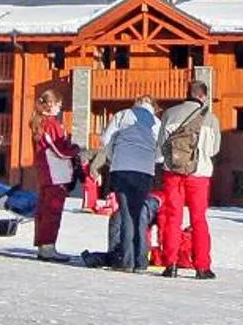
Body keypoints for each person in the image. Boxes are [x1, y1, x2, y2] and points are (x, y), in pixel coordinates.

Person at [155, 78, 221, 279]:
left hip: (172, 173)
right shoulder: (210, 118)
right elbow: (213, 150)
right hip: (199, 175)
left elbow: (160, 147)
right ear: (203, 96)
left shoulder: (169, 114)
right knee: (198, 219)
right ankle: (201, 266)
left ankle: (171, 264)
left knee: (172, 218)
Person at [95, 96, 162, 272]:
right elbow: (162, 151)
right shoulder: (156, 121)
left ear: (136, 103)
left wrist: (113, 156)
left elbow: (106, 139)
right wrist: (149, 159)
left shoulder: (123, 115)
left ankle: (126, 261)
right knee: (139, 214)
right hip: (145, 172)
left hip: (122, 168)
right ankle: (141, 261)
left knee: (125, 215)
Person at [30, 87, 83, 263]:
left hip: (46, 172)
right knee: (53, 211)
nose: (60, 107)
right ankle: (48, 247)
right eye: (58, 104)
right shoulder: (51, 123)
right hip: (56, 173)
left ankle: (43, 245)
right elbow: (59, 150)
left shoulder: (39, 122)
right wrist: (75, 149)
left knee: (44, 211)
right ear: (50, 104)